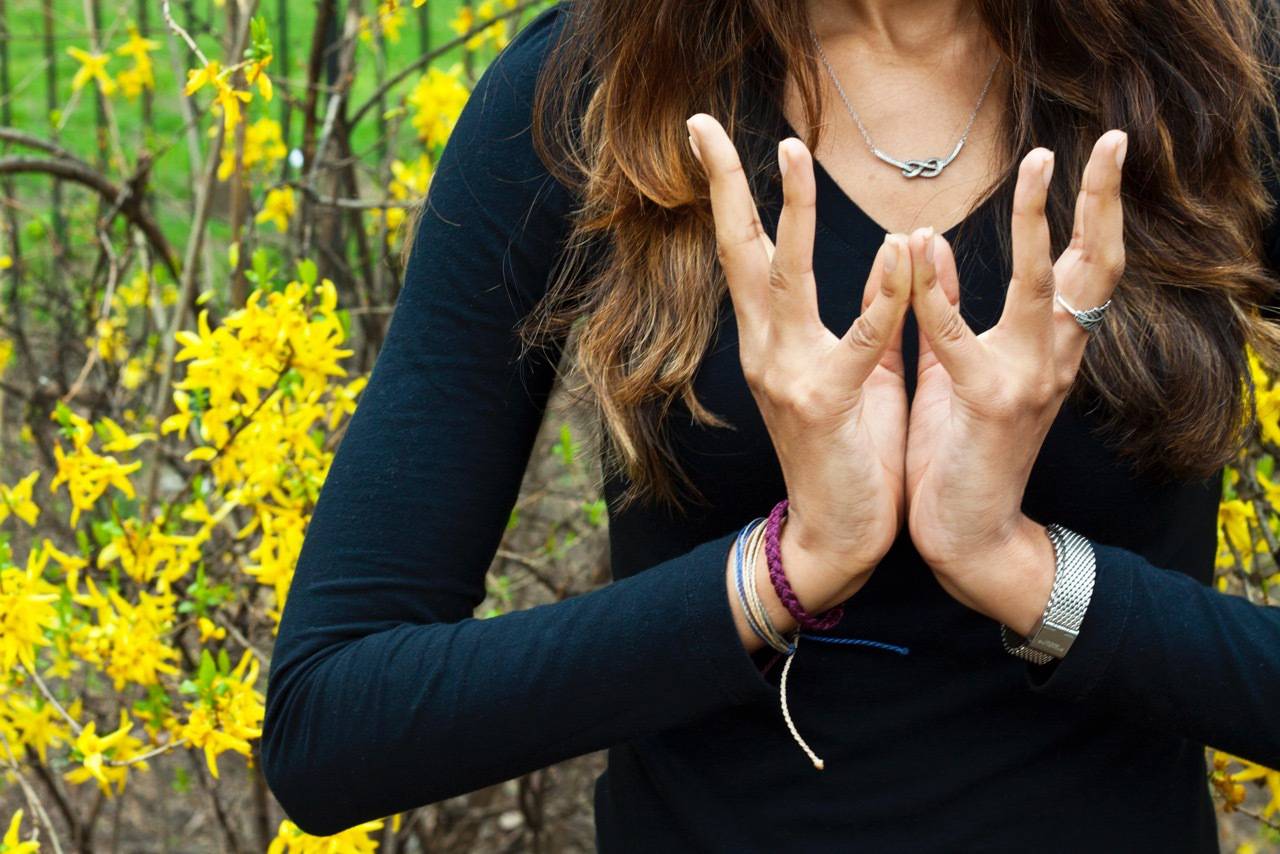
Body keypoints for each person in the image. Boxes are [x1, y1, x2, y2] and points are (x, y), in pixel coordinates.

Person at [261, 0, 1280, 849]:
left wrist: (1021, 569)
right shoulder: (594, 87)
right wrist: (781, 570)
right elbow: (332, 723)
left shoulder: (1214, 68)